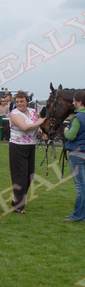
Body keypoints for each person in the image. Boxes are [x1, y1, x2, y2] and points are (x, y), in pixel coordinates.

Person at [8, 91, 45, 214]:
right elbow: (24, 127)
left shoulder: (33, 112)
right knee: (20, 177)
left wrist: (40, 131)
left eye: (21, 101)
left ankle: (16, 199)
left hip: (30, 145)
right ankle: (19, 206)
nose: (19, 104)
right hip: (17, 146)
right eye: (17, 101)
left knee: (30, 176)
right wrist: (40, 122)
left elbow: (35, 126)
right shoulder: (14, 114)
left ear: (27, 101)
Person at [64, 91, 85, 222]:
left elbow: (71, 136)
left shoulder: (78, 117)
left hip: (77, 154)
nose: (73, 103)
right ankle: (80, 214)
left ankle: (77, 215)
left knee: (80, 187)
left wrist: (66, 131)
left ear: (79, 102)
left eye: (74, 101)